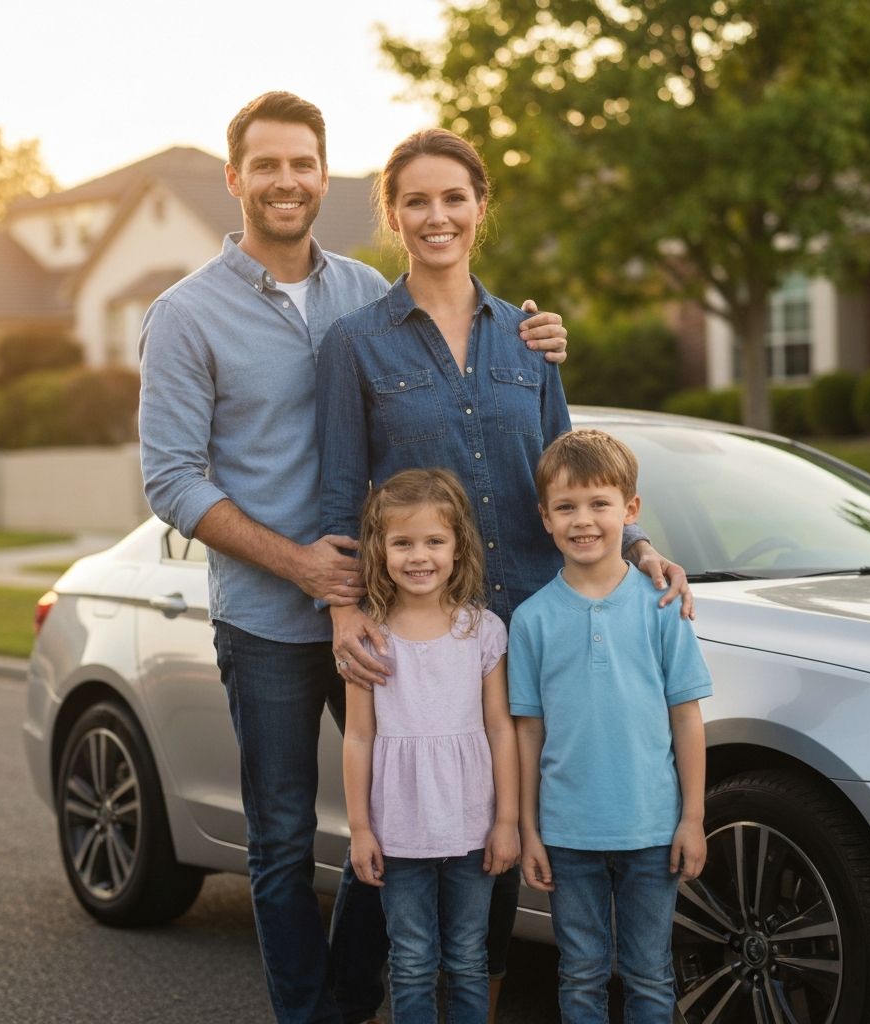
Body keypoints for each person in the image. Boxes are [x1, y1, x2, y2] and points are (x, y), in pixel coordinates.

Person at [138, 91, 569, 1024]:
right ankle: (315, 1015)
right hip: (268, 617)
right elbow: (170, 479)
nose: (287, 181)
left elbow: (454, 359)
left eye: (303, 163)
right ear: (235, 178)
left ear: (324, 175)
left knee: (421, 815)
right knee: (286, 839)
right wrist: (302, 568)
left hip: (390, 611)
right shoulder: (185, 315)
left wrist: (533, 331)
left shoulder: (363, 297)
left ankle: (362, 993)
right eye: (267, 165)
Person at [316, 128, 693, 1016]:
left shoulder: (530, 338)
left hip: (528, 629)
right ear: (394, 214)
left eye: (454, 198)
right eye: (416, 200)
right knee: (406, 842)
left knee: (501, 832)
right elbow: (339, 495)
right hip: (420, 636)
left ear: (481, 208)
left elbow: (574, 479)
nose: (436, 216)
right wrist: (343, 614)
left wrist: (640, 549)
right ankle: (349, 1005)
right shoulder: (356, 344)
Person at [508, 430, 713, 1024]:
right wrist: (529, 828)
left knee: (651, 975)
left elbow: (686, 717)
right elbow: (527, 732)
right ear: (545, 518)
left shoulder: (661, 605)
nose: (583, 521)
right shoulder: (531, 621)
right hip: (569, 834)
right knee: (581, 974)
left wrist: (693, 818)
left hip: (654, 829)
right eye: (566, 507)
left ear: (630, 511)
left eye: (599, 504)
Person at [343, 468, 519, 1023]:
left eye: (434, 541)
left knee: (468, 956)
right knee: (413, 959)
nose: (419, 557)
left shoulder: (483, 631)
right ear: (380, 550)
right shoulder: (368, 637)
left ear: (458, 547)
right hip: (399, 829)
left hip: (472, 825)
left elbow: (500, 729)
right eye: (403, 543)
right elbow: (359, 735)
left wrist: (507, 821)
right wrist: (361, 828)